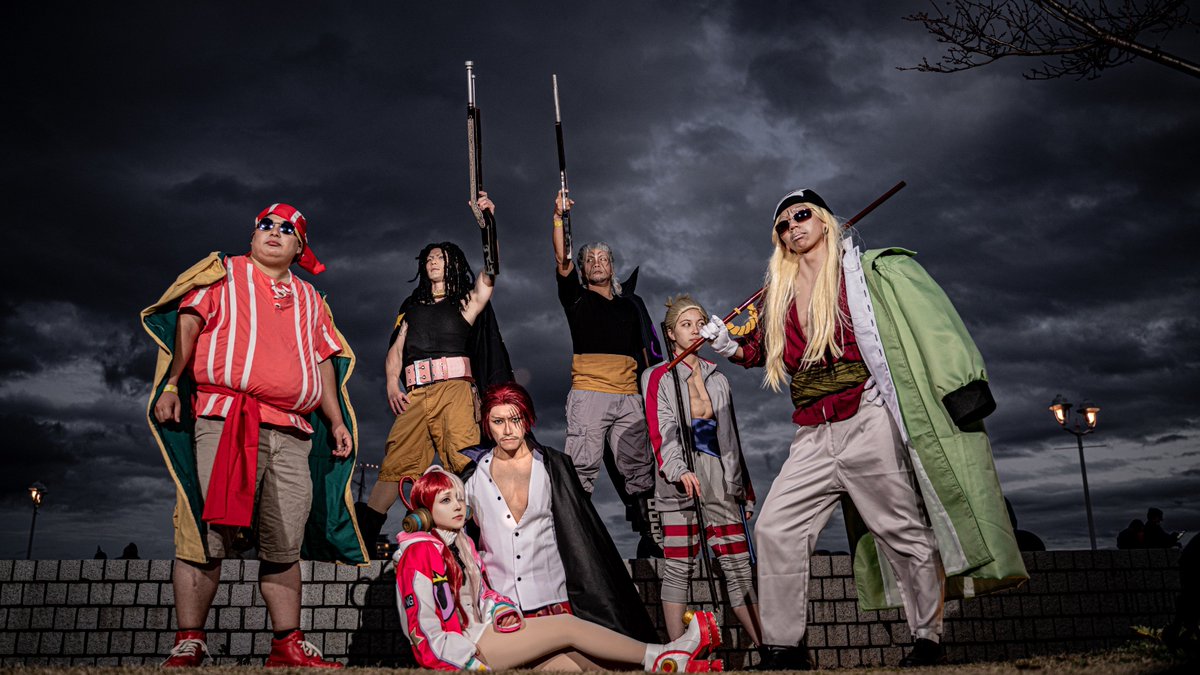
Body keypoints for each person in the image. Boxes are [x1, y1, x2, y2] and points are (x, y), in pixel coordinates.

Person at [700, 187, 1027, 668]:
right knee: (774, 528)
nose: (793, 227)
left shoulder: (866, 274)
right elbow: (766, 352)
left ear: (824, 219)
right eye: (783, 225)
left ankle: (928, 638)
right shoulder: (779, 295)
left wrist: (961, 382)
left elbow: (928, 321)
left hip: (867, 415)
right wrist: (727, 343)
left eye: (801, 215)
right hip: (812, 431)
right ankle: (785, 648)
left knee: (901, 529)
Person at [143, 203, 363, 668]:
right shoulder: (223, 273)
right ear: (253, 234)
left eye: (287, 229)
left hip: (294, 431)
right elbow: (188, 321)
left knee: (284, 543)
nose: (274, 232)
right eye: (266, 224)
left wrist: (336, 420)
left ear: (300, 247)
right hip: (227, 419)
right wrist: (170, 384)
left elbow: (323, 360)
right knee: (207, 534)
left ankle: (286, 645)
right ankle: (190, 641)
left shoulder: (310, 297)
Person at [394, 466, 722, 671]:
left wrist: (500, 609)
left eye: (459, 497)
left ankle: (672, 666)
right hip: (465, 650)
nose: (458, 506)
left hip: (483, 634)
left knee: (575, 665)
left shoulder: (461, 545)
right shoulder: (419, 553)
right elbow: (422, 627)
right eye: (445, 501)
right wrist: (461, 661)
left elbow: (481, 597)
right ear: (425, 512)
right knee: (566, 626)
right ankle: (663, 653)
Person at [357, 193, 512, 549]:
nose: (432, 262)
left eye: (440, 257)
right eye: (428, 258)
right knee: (395, 466)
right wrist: (391, 384)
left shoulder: (465, 302)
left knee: (466, 463)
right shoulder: (411, 306)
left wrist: (489, 224)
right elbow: (395, 350)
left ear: (453, 263)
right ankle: (362, 547)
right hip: (414, 396)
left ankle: (485, 544)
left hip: (454, 391)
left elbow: (490, 273)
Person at [460, 383, 658, 642]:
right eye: (498, 421)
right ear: (487, 424)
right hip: (499, 609)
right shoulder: (472, 478)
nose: (507, 430)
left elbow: (581, 534)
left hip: (554, 601)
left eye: (515, 419)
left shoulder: (552, 467)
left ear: (527, 419)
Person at [641, 295, 762, 645]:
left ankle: (767, 648)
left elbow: (731, 436)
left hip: (720, 477)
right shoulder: (658, 375)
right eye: (685, 325)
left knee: (739, 566)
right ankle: (677, 652)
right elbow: (661, 428)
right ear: (671, 333)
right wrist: (678, 470)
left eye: (699, 324)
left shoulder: (718, 378)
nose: (694, 330)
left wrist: (744, 488)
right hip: (680, 476)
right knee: (680, 566)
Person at [551, 190, 662, 556]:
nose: (596, 263)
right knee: (582, 467)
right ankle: (574, 543)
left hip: (628, 395)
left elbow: (646, 352)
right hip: (590, 393)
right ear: (584, 271)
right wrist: (559, 217)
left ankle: (651, 538)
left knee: (639, 468)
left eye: (603, 259)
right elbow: (562, 259)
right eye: (590, 260)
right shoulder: (577, 299)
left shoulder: (631, 307)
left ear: (612, 267)